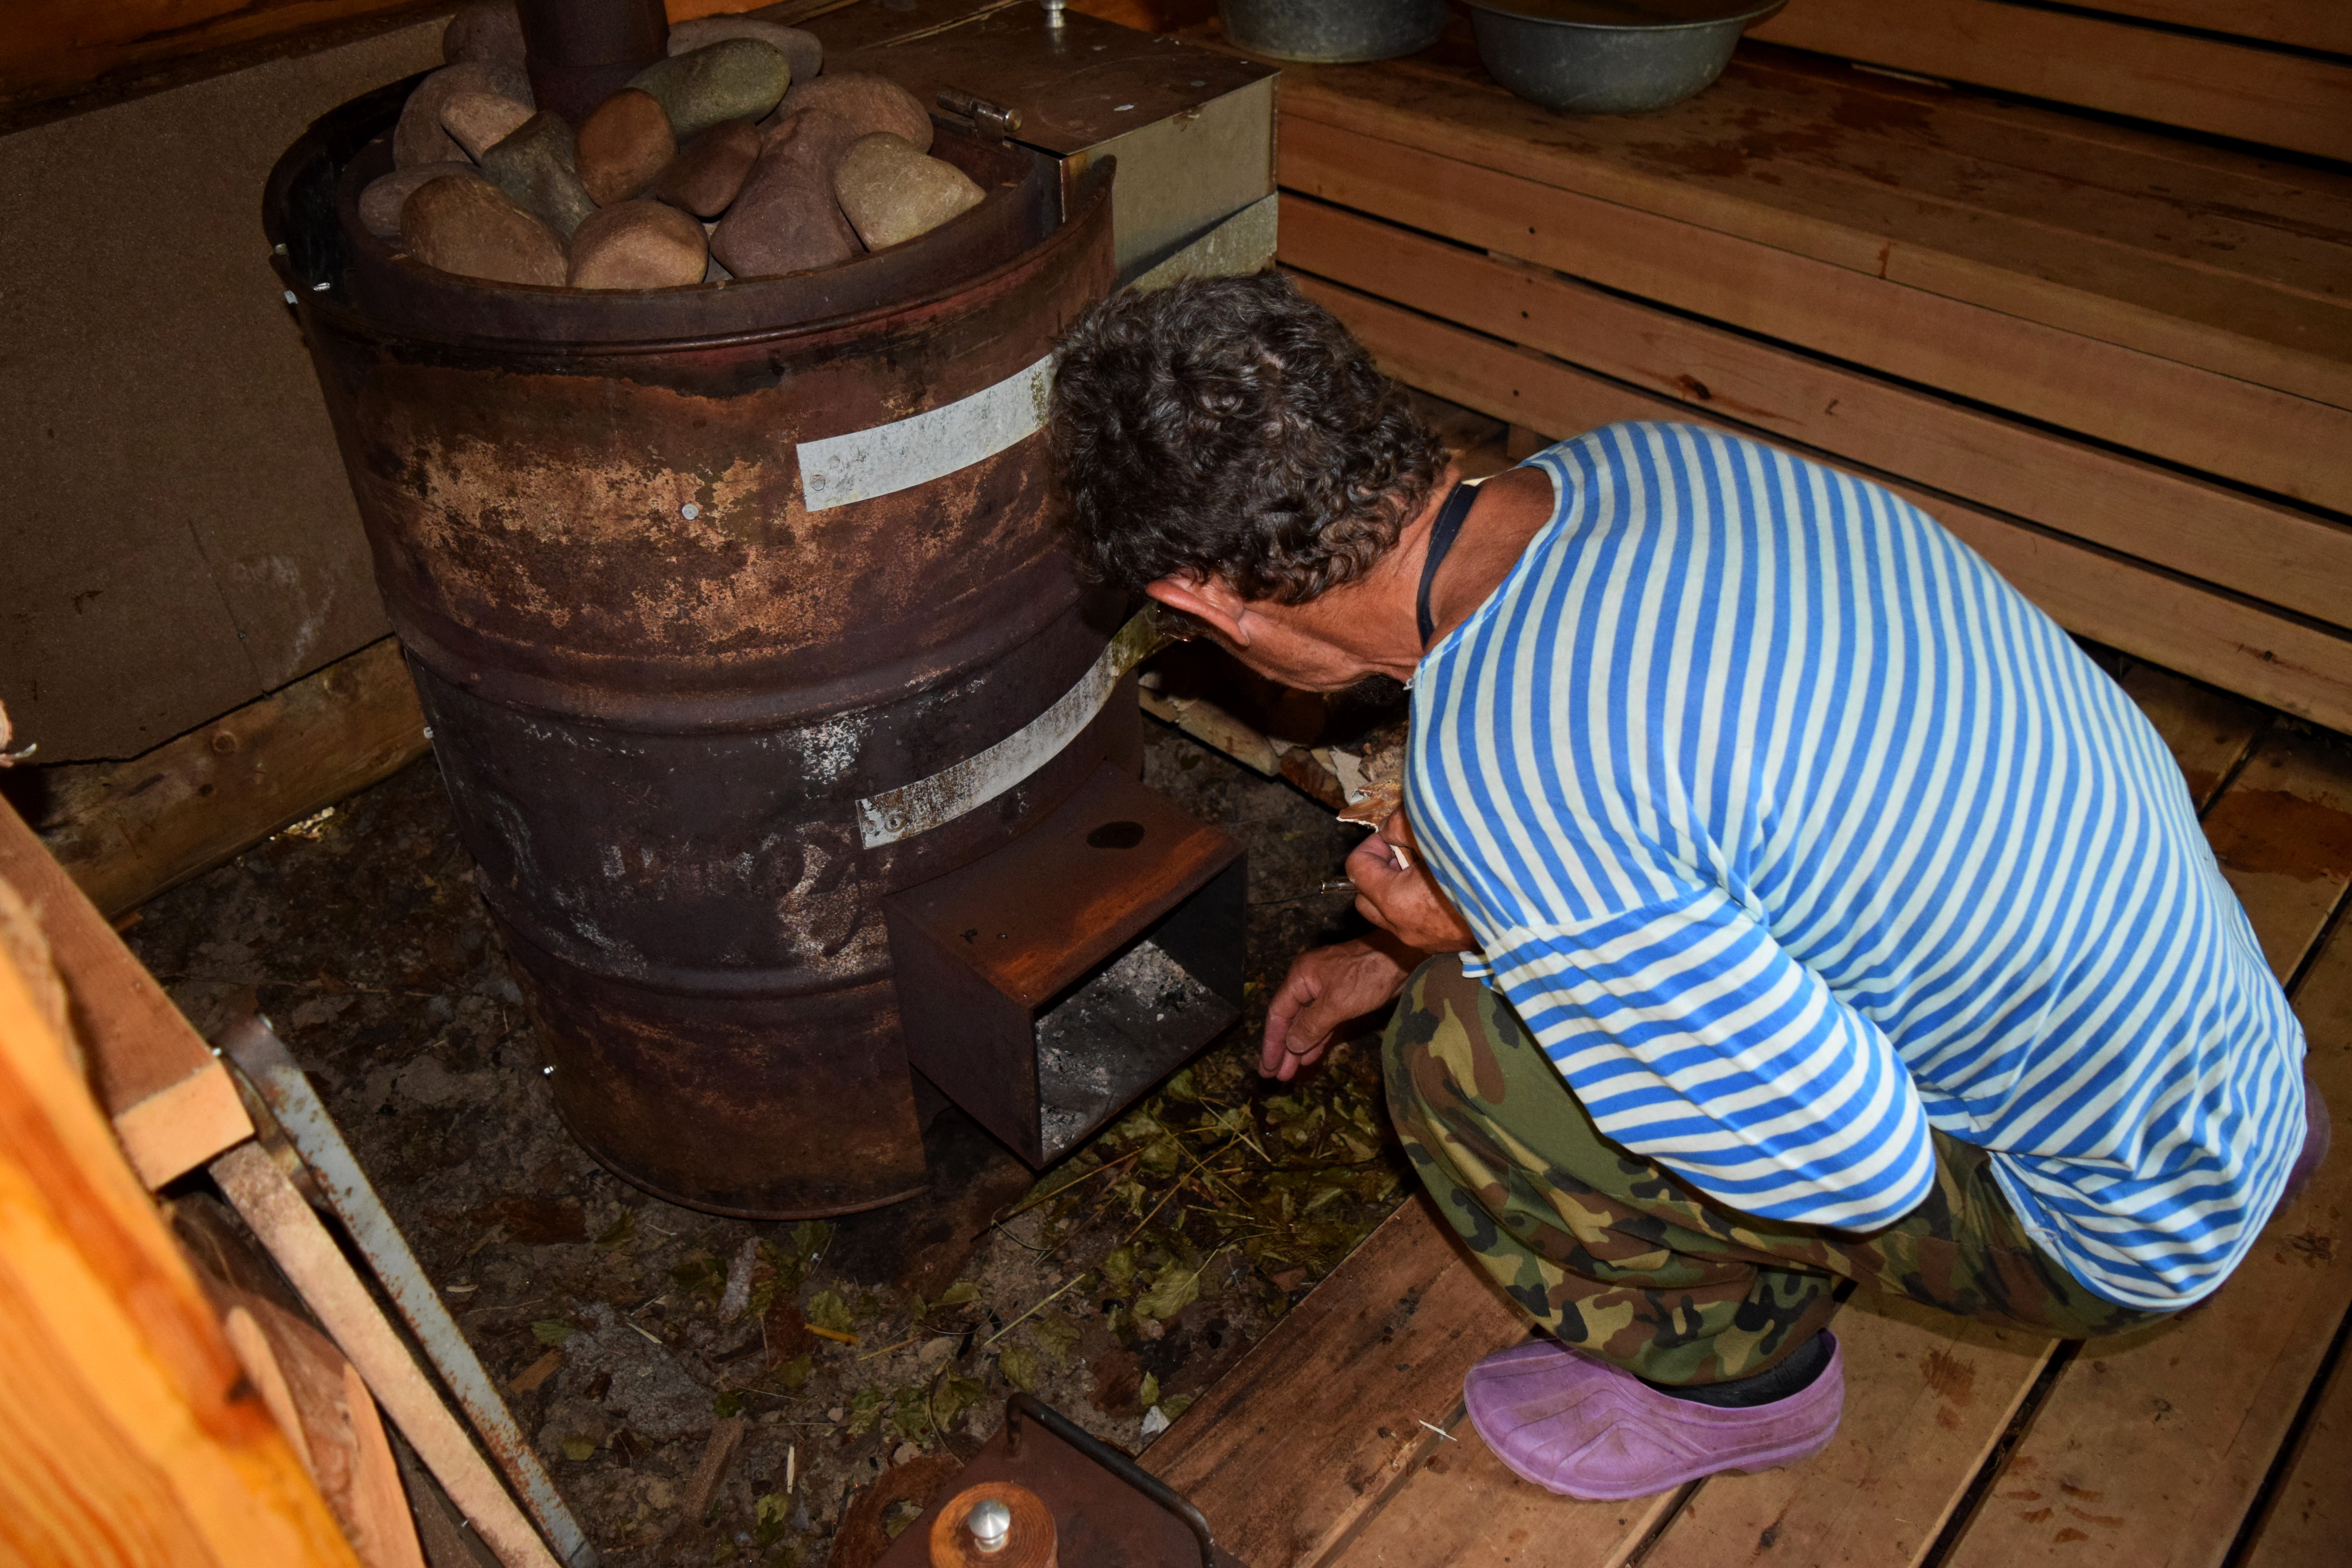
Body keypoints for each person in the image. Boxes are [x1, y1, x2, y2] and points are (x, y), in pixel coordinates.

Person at [1047, 272, 2327, 1500]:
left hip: (2119, 1223)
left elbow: (1856, 1166)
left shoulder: (1511, 780)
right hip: (2212, 1019)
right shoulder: (1639, 464)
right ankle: (2232, 1125)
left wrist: (1487, 952)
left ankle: (1743, 1389)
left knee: (1452, 1059)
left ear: (1198, 600)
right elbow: (1713, 807)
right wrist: (1494, 922)